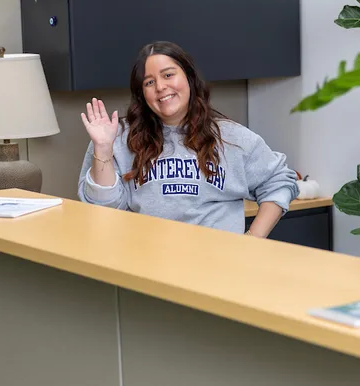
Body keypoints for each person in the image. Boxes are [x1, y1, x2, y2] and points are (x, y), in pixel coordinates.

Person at [77, 40, 311, 238]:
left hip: (219, 269)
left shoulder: (231, 137)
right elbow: (103, 211)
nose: (160, 86)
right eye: (149, 82)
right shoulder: (118, 137)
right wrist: (103, 149)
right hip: (145, 266)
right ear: (142, 93)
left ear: (188, 77)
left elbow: (279, 180)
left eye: (168, 74)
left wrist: (254, 239)